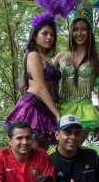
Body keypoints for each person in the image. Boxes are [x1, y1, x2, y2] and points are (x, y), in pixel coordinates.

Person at [4, 19, 60, 149]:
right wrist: (57, 114)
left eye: (52, 35)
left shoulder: (48, 59)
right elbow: (40, 86)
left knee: (41, 153)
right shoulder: (33, 55)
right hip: (33, 107)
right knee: (31, 152)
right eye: (45, 33)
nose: (49, 37)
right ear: (35, 36)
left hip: (45, 108)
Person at [54, 16, 99, 141]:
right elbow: (49, 83)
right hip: (61, 108)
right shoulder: (60, 56)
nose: (79, 33)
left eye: (83, 29)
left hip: (85, 110)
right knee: (62, 148)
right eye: (75, 29)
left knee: (75, 147)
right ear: (71, 32)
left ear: (90, 32)